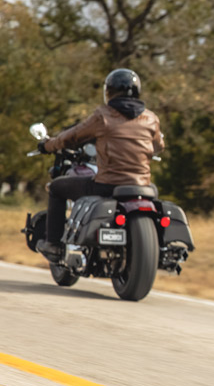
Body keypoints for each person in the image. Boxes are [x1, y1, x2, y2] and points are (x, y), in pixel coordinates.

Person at [35, 68, 164, 261]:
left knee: (57, 187)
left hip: (107, 185)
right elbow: (159, 146)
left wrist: (48, 145)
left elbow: (73, 136)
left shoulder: (103, 115)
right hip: (142, 186)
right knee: (154, 193)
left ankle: (53, 244)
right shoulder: (151, 118)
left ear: (109, 92)